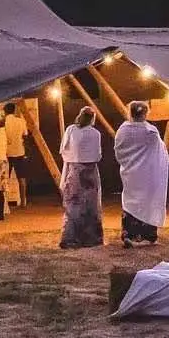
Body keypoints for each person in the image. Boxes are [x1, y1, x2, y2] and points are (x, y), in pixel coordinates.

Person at [114, 101, 168, 246]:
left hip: (131, 174)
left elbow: (119, 151)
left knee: (131, 201)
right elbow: (161, 152)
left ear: (130, 112)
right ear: (145, 113)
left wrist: (130, 163)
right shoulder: (151, 132)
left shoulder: (123, 130)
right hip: (148, 175)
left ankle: (129, 234)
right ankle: (146, 236)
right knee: (147, 202)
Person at [59, 105, 103, 248]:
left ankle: (71, 237)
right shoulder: (95, 133)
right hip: (90, 170)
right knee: (90, 204)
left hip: (74, 169)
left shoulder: (71, 130)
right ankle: (91, 238)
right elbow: (98, 154)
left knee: (73, 204)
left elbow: (64, 150)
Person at [3, 102, 30, 207]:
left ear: (4, 111)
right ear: (14, 110)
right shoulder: (21, 121)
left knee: (5, 178)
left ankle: (4, 202)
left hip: (6, 152)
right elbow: (25, 135)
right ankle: (23, 201)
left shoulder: (3, 122)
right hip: (20, 151)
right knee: (22, 177)